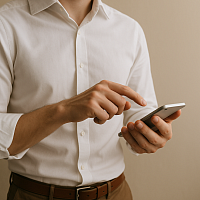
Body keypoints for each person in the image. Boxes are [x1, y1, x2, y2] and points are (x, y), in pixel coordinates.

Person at [0, 0, 181, 199]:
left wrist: (148, 130)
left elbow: (139, 108)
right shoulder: (6, 23)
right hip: (33, 195)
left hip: (116, 193)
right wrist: (63, 111)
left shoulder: (130, 30)